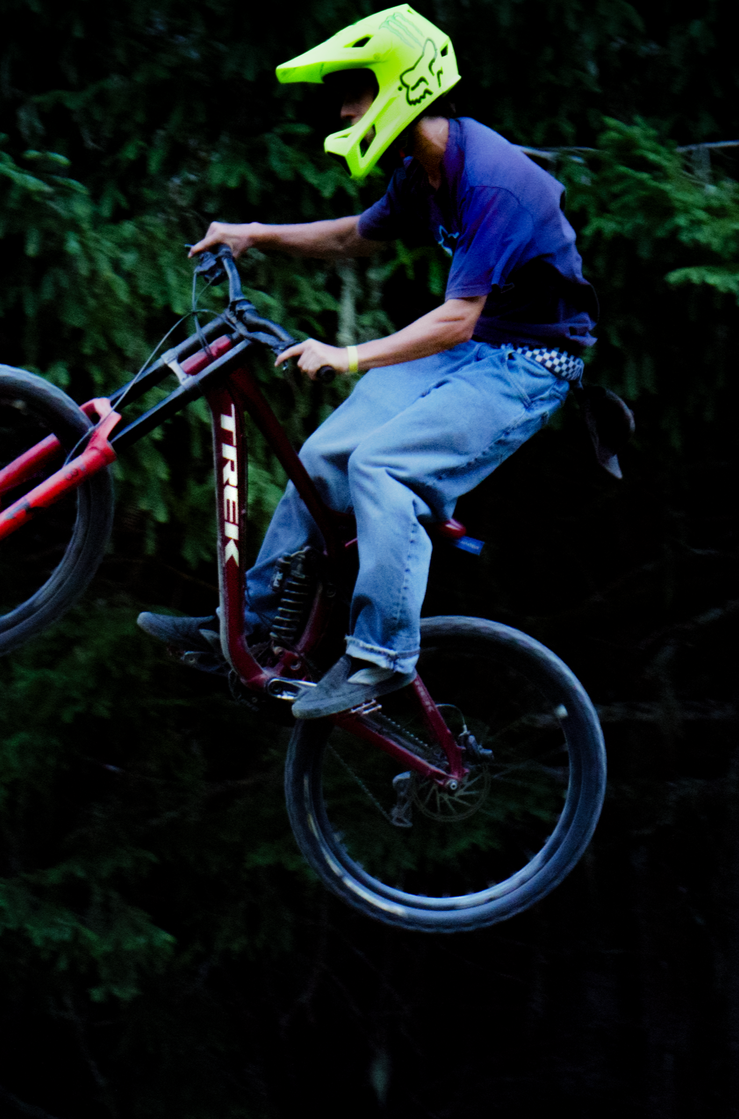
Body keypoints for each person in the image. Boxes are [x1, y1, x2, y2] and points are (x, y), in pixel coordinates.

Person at [139, 4, 598, 718]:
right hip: (478, 350)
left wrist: (347, 354)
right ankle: (254, 632)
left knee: (383, 467)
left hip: (529, 365)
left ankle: (383, 655)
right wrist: (254, 235)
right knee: (322, 458)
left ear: (401, 89)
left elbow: (455, 319)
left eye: (356, 93)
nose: (346, 110)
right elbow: (355, 236)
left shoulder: (493, 182)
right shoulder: (425, 170)